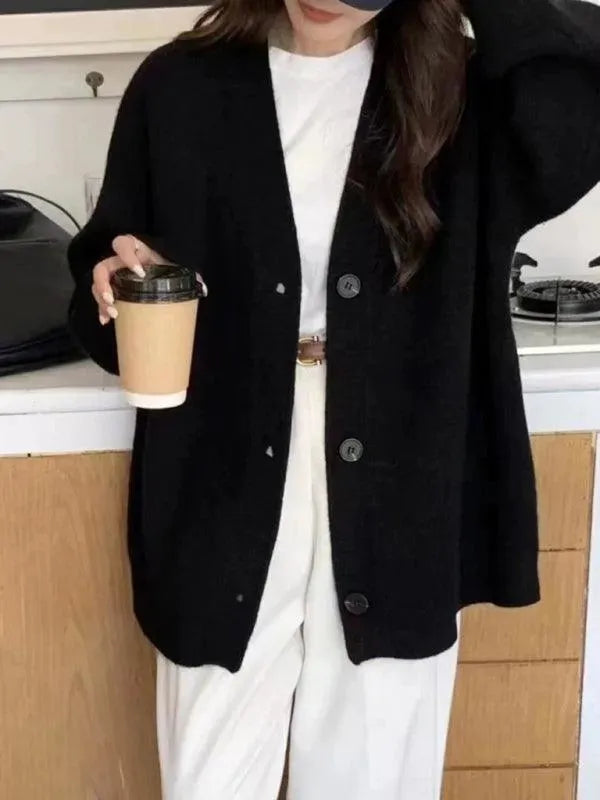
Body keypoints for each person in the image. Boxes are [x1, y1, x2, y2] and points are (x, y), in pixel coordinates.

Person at [67, 0, 600, 797]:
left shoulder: (456, 92)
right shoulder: (179, 86)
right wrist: (111, 286)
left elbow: (578, 93)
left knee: (372, 774)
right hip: (222, 473)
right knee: (209, 777)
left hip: (400, 484)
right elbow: (107, 281)